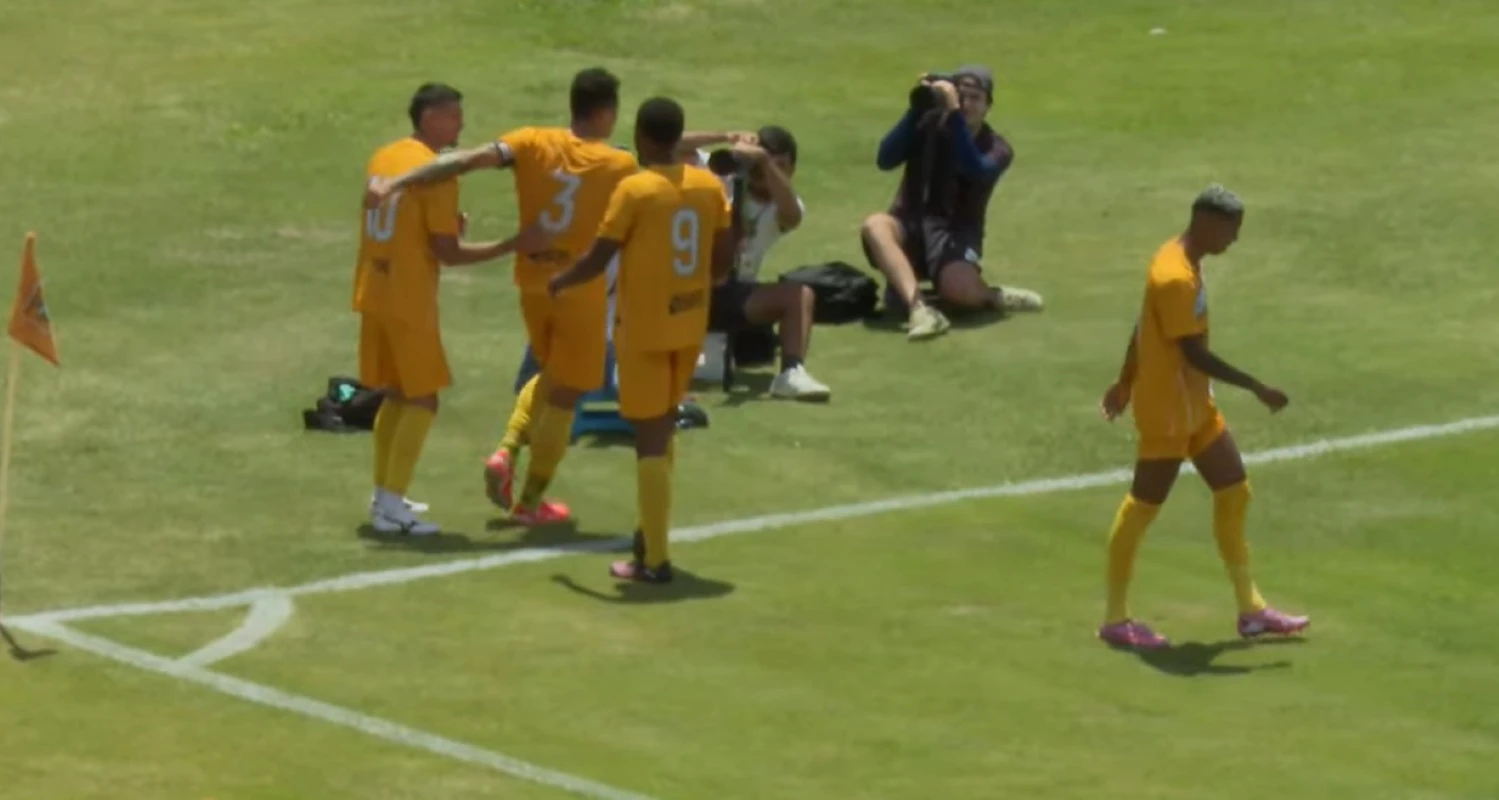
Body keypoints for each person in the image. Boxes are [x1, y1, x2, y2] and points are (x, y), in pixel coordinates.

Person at [366, 68, 638, 525]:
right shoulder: (618, 164)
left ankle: (505, 455)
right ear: (606, 112)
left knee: (550, 372)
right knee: (567, 393)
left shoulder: (531, 141)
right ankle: (528, 498)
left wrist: (396, 182)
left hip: (532, 282)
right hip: (579, 285)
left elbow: (462, 160)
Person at [1096, 185, 1309, 649]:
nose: (1234, 240)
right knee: (1143, 506)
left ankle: (1251, 611)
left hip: (1195, 407)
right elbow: (1192, 353)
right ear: (1207, 222)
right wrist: (1256, 387)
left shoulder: (1183, 262)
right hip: (1169, 412)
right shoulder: (1174, 276)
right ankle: (1115, 618)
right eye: (1232, 230)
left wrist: (1122, 380)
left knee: (1233, 490)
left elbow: (1140, 326)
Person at [549, 97, 733, 583]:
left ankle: (654, 560)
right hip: (688, 324)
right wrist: (709, 277)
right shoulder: (707, 185)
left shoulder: (636, 190)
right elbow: (725, 247)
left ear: (645, 137)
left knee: (649, 440)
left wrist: (560, 281)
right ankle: (646, 535)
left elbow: (598, 256)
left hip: (645, 330)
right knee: (664, 429)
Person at [355, 83, 543, 535]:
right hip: (406, 297)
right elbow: (449, 253)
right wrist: (515, 243)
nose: (461, 124)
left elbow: (401, 221)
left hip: (372, 290)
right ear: (429, 118)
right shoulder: (437, 171)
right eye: (454, 116)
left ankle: (385, 494)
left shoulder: (385, 156)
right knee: (422, 398)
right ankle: (390, 506)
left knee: (399, 393)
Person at [859, 65, 1044, 341]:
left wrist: (954, 114)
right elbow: (885, 159)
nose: (967, 104)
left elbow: (974, 169)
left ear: (987, 106)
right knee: (875, 225)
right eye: (961, 96)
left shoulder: (998, 148)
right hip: (910, 224)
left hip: (955, 233)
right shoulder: (929, 125)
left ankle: (990, 294)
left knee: (961, 293)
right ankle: (920, 308)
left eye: (975, 98)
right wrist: (916, 109)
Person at [688, 126, 831, 400]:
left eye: (780, 167)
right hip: (689, 286)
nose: (768, 174)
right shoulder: (724, 172)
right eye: (763, 164)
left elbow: (791, 215)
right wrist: (725, 138)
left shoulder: (786, 205)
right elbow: (670, 144)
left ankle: (791, 373)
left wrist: (764, 160)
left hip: (732, 294)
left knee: (799, 295)